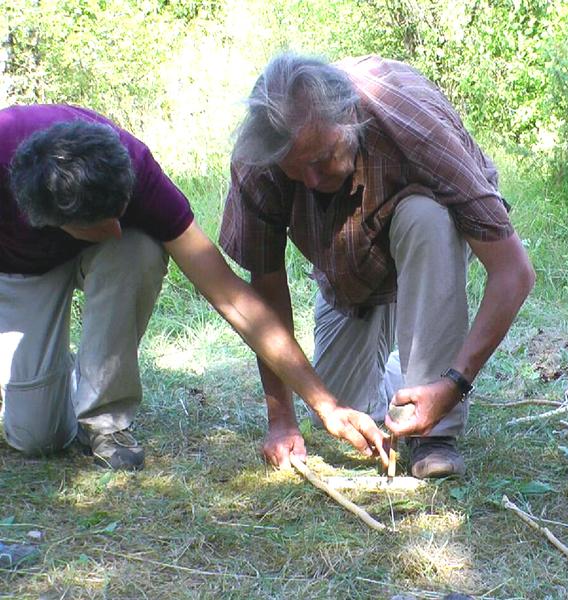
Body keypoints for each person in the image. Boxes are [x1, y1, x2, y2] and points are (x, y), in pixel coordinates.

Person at [0, 104, 389, 471]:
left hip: (105, 260)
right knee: (39, 439)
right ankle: (55, 380)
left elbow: (233, 299)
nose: (116, 229)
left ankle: (104, 420)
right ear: (43, 216)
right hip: (19, 272)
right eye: (103, 223)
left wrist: (326, 405)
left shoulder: (133, 166)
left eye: (121, 213)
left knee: (137, 248)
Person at [220, 53, 535, 478]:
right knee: (333, 402)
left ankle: (435, 431)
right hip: (347, 271)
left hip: (423, 242)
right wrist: (282, 418)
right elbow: (267, 293)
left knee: (426, 216)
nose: (312, 181)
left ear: (350, 117)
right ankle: (411, 385)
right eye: (298, 172)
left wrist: (453, 385)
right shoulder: (262, 160)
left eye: (322, 159)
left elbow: (513, 272)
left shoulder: (411, 127)